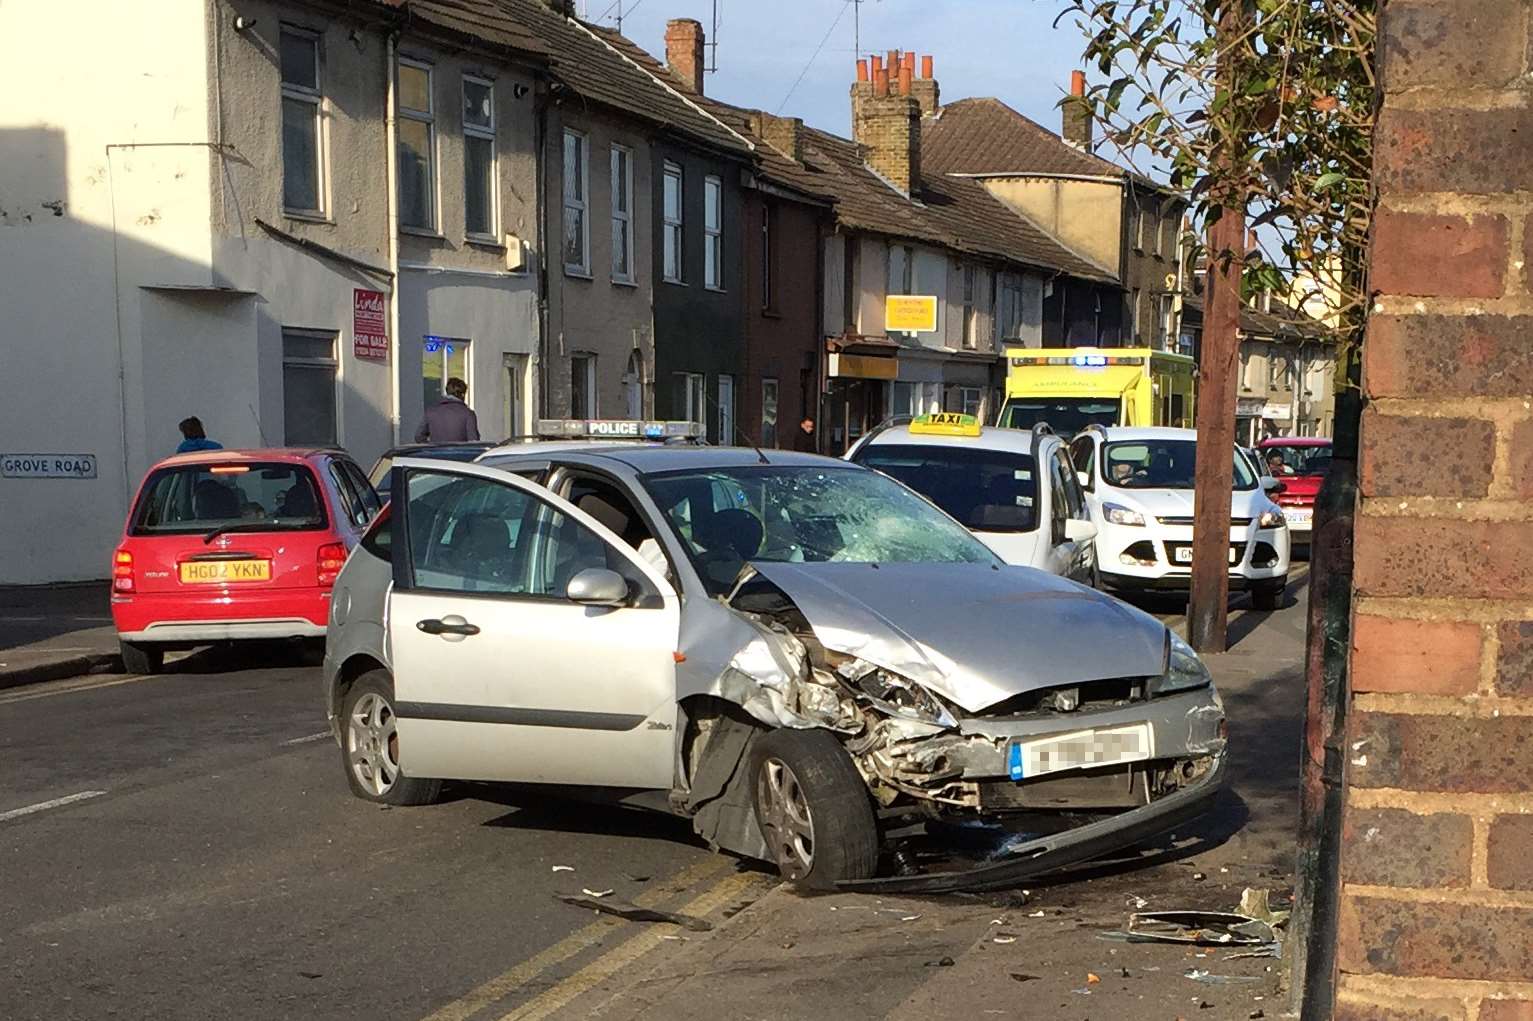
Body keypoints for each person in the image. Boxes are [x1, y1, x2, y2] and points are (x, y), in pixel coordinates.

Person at [416, 377, 480, 443]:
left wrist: (431, 446)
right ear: (462, 395)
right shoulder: (468, 414)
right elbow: (473, 441)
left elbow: (418, 437)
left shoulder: (431, 411)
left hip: (435, 452)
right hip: (460, 452)